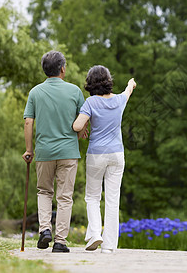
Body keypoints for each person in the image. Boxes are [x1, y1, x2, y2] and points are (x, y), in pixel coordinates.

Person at [22, 50, 86, 253]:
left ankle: (44, 230)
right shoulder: (75, 91)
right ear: (62, 69)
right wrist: (78, 135)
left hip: (44, 152)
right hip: (68, 152)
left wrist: (29, 149)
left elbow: (28, 122)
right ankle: (60, 242)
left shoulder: (35, 92)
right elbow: (83, 120)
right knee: (65, 197)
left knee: (44, 191)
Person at [73, 65, 136, 253]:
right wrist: (131, 84)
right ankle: (108, 247)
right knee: (112, 200)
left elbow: (77, 126)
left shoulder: (90, 103)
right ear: (109, 81)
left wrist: (84, 127)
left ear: (90, 83)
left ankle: (94, 234)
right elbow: (128, 91)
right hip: (117, 155)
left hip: (96, 155)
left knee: (92, 196)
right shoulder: (119, 100)